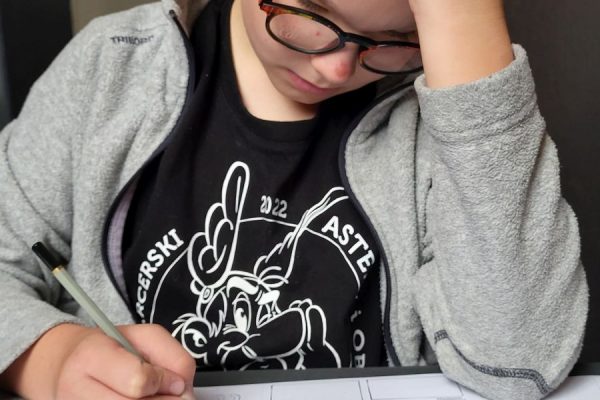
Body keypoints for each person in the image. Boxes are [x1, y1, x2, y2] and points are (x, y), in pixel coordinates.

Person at [0, 0, 588, 399]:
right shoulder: (114, 66)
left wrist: (466, 41)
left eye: (395, 40)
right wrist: (48, 357)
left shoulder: (434, 123)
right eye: (311, 15)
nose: (335, 68)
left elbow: (520, 364)